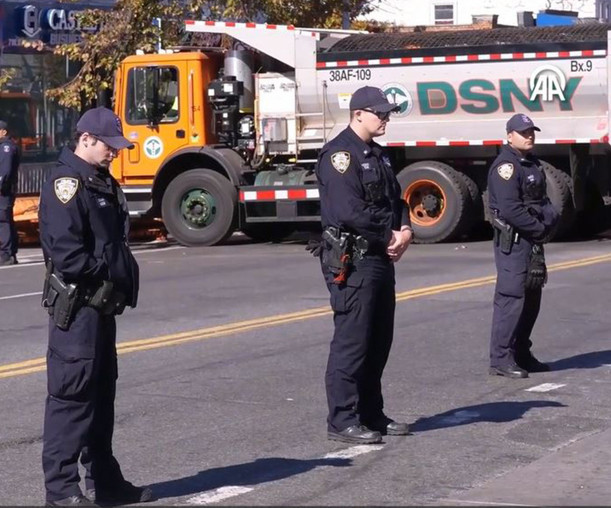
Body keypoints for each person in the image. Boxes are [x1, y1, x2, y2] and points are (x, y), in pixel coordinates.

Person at [39, 107, 152, 506]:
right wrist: (107, 273)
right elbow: (68, 253)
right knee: (71, 398)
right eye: (109, 146)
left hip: (102, 305)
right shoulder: (67, 183)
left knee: (102, 397)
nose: (115, 153)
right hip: (80, 306)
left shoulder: (99, 180)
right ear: (86, 139)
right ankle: (62, 490)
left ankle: (104, 481)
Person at [313, 86, 414, 444]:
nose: (386, 118)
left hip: (379, 258)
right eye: (380, 113)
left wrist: (405, 228)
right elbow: (348, 211)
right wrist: (388, 235)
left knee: (378, 340)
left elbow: (395, 199)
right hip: (353, 259)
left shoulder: (380, 155)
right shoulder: (340, 155)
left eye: (387, 113)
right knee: (352, 341)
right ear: (358, 114)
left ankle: (371, 413)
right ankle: (342, 419)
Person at [487, 113, 559, 379]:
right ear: (509, 136)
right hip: (515, 242)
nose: (529, 136)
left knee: (531, 298)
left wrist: (551, 220)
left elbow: (542, 201)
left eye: (531, 132)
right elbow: (510, 209)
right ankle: (501, 359)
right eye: (523, 132)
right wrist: (539, 228)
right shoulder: (506, 167)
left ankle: (522, 353)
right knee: (511, 298)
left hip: (533, 242)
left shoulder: (532, 163)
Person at [0, 119, 20, 266]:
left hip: (4, 191)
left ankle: (6, 253)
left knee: (3, 221)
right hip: (5, 190)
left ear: (3, 131)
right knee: (6, 220)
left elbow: (5, 171)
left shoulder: (7, 147)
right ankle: (11, 252)